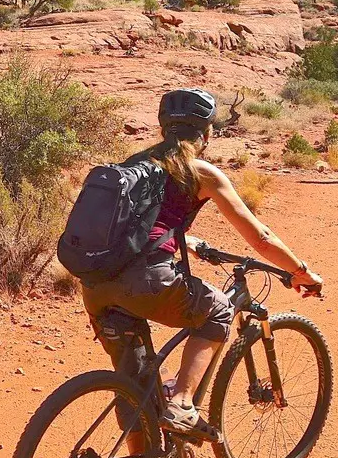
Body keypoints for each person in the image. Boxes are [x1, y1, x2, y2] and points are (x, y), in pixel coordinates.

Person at [80, 88, 322, 434]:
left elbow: (138, 224)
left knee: (135, 386)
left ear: (163, 128)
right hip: (145, 283)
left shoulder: (134, 164)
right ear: (206, 134)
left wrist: (184, 241)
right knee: (219, 309)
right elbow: (261, 239)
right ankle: (182, 402)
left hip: (96, 286)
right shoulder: (200, 172)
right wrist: (300, 272)